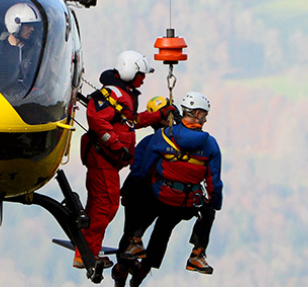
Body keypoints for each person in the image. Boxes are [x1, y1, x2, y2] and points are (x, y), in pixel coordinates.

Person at [112, 92, 222, 285]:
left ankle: (123, 267)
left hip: (155, 195)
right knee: (163, 231)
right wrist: (214, 203)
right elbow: (214, 182)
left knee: (135, 231)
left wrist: (128, 193)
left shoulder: (157, 139)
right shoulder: (209, 144)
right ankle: (147, 269)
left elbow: (140, 172)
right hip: (183, 201)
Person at [77, 50, 170, 269]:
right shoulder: (112, 94)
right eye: (141, 75)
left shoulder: (123, 95)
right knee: (104, 206)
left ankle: (87, 250)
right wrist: (117, 146)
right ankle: (86, 254)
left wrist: (159, 115)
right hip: (103, 159)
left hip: (109, 160)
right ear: (130, 71)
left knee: (103, 206)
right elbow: (97, 121)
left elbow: (131, 121)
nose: (143, 79)